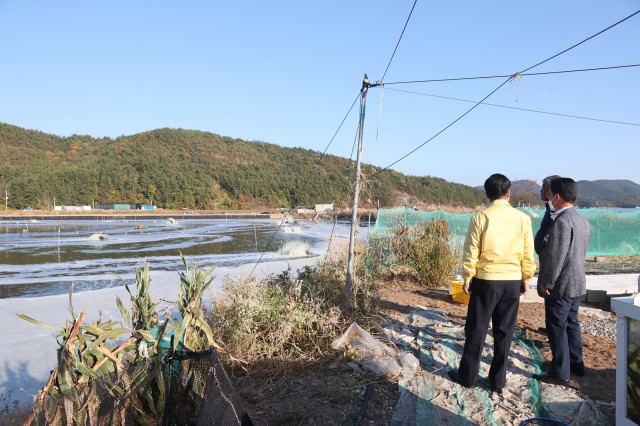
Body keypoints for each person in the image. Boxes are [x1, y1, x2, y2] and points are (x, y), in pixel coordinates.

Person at [448, 173, 536, 394]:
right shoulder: (522, 219)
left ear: (487, 194)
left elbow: (471, 251)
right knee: (505, 331)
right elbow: (528, 253)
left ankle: (467, 377)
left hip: (486, 279)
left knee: (476, 329)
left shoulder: (481, 217)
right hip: (512, 279)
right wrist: (526, 277)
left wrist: (468, 276)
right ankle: (498, 381)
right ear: (509, 193)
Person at [533, 177, 590, 384]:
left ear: (556, 197)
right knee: (572, 323)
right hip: (577, 281)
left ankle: (560, 372)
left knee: (557, 326)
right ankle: (577, 364)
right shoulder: (582, 220)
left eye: (550, 195)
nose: (548, 198)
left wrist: (547, 282)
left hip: (561, 283)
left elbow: (556, 257)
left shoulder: (561, 222)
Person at [534, 175, 561, 255]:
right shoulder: (550, 207)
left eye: (543, 187)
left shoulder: (555, 209)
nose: (541, 190)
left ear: (551, 189)